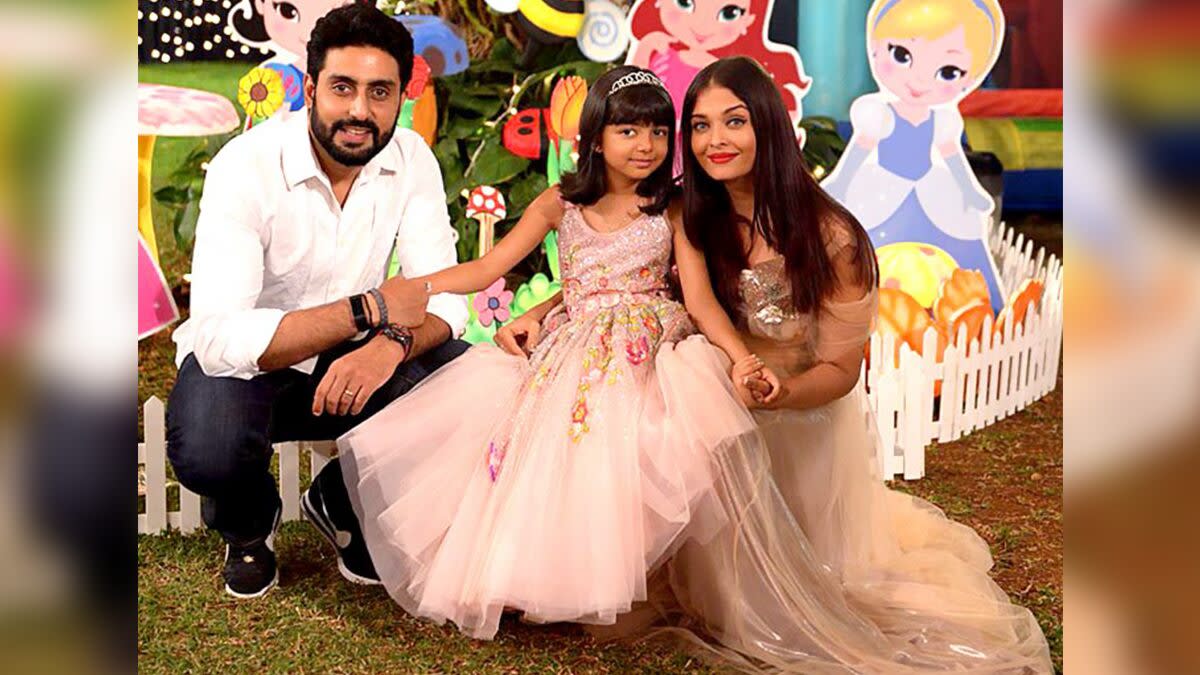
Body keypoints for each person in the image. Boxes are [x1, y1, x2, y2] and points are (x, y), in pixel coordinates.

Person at [500, 57, 1052, 672]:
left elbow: (841, 370)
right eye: (701, 126)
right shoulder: (690, 209)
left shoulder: (832, 237)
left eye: (734, 121)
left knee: (771, 593)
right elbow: (627, 277)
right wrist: (546, 309)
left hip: (790, 419)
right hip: (703, 402)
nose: (716, 140)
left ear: (767, 124)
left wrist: (780, 393)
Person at [327, 65, 779, 639]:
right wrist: (421, 286)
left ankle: (617, 579)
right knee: (543, 455)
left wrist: (740, 357)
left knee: (624, 451)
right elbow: (489, 267)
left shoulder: (671, 207)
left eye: (659, 131)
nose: (646, 145)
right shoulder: (560, 203)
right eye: (628, 131)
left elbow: (700, 299)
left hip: (647, 345)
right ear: (596, 138)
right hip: (571, 346)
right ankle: (531, 579)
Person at [166, 4, 468, 599]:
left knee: (466, 385)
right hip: (255, 364)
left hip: (358, 360)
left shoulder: (411, 160)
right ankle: (248, 525)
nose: (360, 111)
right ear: (311, 91)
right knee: (208, 448)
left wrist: (389, 344)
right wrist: (370, 310)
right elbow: (220, 337)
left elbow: (446, 297)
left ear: (401, 96)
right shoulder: (245, 166)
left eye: (379, 92)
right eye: (342, 88)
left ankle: (340, 498)